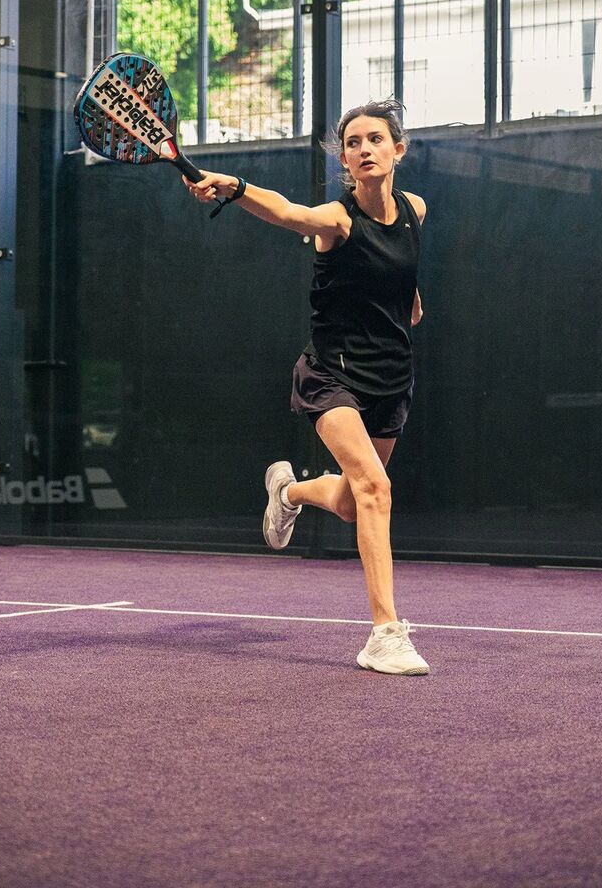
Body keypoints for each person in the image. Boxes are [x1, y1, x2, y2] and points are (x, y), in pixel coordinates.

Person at [183, 99, 429, 675]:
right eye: (352, 143)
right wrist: (235, 187)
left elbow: (404, 269)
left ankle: (288, 492)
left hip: (392, 376)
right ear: (345, 159)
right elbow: (288, 212)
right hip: (332, 373)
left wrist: (410, 298)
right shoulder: (337, 220)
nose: (363, 149)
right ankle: (384, 633)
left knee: (349, 501)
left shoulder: (416, 210)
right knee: (375, 490)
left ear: (398, 149)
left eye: (375, 139)